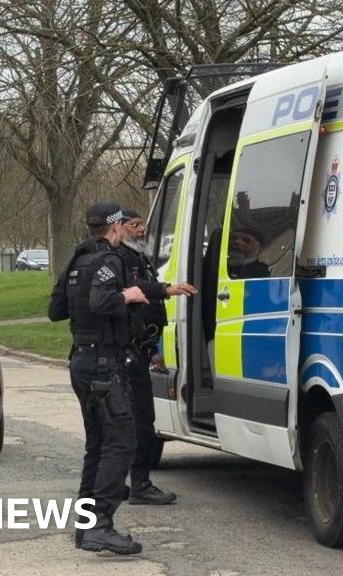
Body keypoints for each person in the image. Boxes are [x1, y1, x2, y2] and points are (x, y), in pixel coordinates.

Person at [48, 202, 148, 555]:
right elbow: (103, 300)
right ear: (115, 226)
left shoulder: (78, 259)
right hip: (105, 365)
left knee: (98, 445)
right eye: (123, 224)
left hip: (82, 361)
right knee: (122, 442)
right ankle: (101, 524)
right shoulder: (109, 259)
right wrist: (128, 295)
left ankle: (85, 527)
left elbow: (55, 310)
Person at [118, 210, 196, 505]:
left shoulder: (139, 257)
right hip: (125, 353)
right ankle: (138, 484)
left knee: (139, 419)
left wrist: (153, 351)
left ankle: (127, 483)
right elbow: (136, 295)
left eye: (143, 226)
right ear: (119, 227)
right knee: (139, 421)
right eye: (134, 225)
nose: (141, 230)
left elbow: (146, 313)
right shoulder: (120, 260)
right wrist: (167, 289)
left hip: (140, 348)